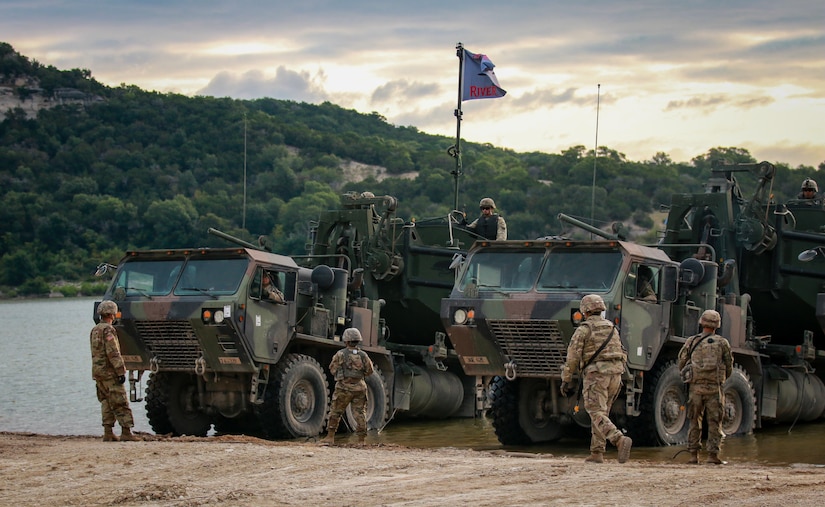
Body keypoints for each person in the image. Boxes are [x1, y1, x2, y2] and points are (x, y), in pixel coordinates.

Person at [560, 294, 632, 463]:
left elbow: (572, 356)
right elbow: (622, 352)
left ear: (585, 310)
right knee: (602, 413)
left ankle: (618, 439)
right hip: (615, 374)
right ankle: (597, 452)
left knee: (595, 411)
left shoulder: (584, 329)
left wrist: (566, 378)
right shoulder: (612, 328)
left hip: (597, 375)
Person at [678, 309, 733, 465]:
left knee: (694, 421)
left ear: (701, 322)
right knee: (715, 422)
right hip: (714, 389)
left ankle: (693, 456)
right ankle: (712, 456)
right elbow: (729, 366)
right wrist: (720, 380)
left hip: (696, 388)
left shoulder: (692, 341)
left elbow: (681, 362)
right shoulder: (722, 343)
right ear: (717, 325)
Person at [90, 300, 140, 442]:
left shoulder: (95, 329)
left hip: (98, 372)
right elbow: (113, 352)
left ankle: (108, 432)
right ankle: (126, 432)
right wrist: (120, 371)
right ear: (112, 314)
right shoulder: (108, 330)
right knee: (120, 401)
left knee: (106, 401)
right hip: (109, 372)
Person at [320, 328, 375, 446]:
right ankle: (361, 440)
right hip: (360, 387)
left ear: (346, 341)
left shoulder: (340, 354)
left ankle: (330, 437)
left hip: (343, 388)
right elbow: (370, 371)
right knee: (360, 413)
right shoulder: (363, 355)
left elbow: (332, 368)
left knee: (335, 411)